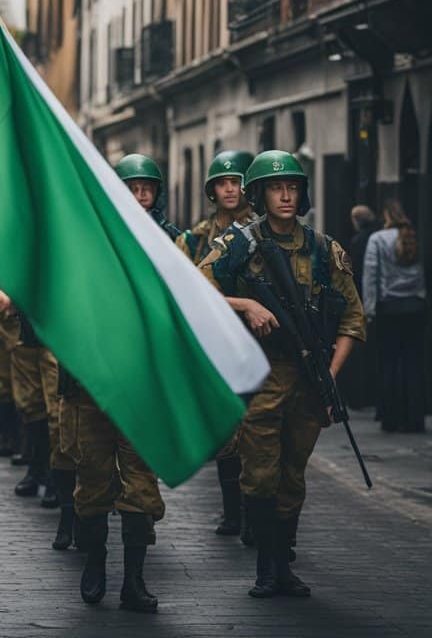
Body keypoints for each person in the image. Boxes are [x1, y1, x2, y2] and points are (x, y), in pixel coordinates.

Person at [199, 151, 365, 598]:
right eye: (276, 187)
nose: (286, 195)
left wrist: (328, 375)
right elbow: (195, 290)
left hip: (309, 379)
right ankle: (266, 567)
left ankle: (283, 564)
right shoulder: (238, 244)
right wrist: (246, 304)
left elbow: (352, 319)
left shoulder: (323, 248)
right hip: (260, 373)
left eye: (292, 187)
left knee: (293, 475)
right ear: (259, 194)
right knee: (260, 473)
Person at [67, 153, 172, 614]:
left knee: (141, 488)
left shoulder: (169, 244)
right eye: (131, 187)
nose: (140, 196)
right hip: (90, 386)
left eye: (147, 188)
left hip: (143, 387)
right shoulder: (87, 243)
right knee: (91, 484)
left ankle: (134, 579)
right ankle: (94, 563)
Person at [176, 150, 256, 539]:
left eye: (237, 181)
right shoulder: (194, 238)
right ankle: (232, 512)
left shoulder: (263, 231)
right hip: (214, 345)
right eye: (223, 182)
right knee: (227, 433)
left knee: (259, 435)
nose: (230, 188)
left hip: (258, 342)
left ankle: (261, 519)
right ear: (212, 189)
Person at [363, 199, 426, 433]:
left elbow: (371, 277)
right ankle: (415, 418)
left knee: (389, 364)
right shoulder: (413, 236)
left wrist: (369, 310)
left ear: (385, 215)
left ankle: (390, 417)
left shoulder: (377, 239)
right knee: (413, 364)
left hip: (389, 308)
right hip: (415, 307)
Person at [115, 153, 181, 238]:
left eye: (147, 189)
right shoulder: (109, 228)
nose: (140, 196)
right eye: (133, 190)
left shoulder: (169, 233)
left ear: (157, 193)